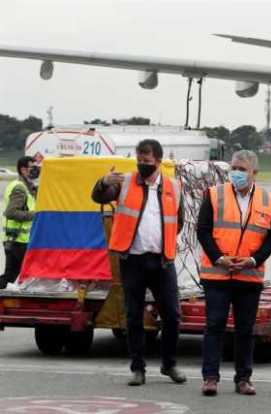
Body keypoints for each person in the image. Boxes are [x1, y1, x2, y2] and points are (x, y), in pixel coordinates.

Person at [91, 139, 186, 387]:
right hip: (132, 259)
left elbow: (180, 220)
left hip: (162, 260)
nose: (142, 165)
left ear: (158, 161)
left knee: (173, 316)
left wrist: (163, 242)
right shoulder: (124, 183)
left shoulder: (174, 187)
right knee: (133, 316)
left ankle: (169, 364)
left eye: (147, 161)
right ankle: (138, 368)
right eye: (139, 160)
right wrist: (103, 182)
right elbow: (99, 197)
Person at [196, 150, 271, 397]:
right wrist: (219, 258)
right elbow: (203, 230)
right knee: (214, 326)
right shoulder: (214, 194)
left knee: (245, 329)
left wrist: (253, 260)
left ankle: (243, 378)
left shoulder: (268, 199)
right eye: (234, 168)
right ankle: (210, 377)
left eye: (242, 169)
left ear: (254, 173)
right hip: (217, 275)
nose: (236, 173)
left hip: (249, 275)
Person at [0, 156, 37, 289]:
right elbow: (11, 212)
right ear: (23, 170)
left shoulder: (27, 187)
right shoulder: (19, 188)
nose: (35, 171)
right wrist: (35, 215)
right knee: (32, 272)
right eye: (32, 168)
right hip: (18, 240)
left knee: (11, 275)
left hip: (16, 240)